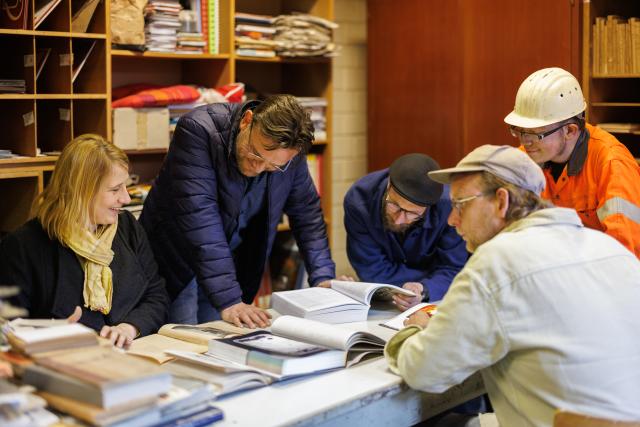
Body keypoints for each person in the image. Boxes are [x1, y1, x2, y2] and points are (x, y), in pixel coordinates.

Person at [384, 145, 640, 426]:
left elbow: (425, 371)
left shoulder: (498, 261)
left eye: (460, 205)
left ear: (501, 201)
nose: (451, 220)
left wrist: (415, 330)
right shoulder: (610, 249)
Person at [140, 94, 337, 328]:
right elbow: (201, 218)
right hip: (176, 259)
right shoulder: (198, 130)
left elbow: (307, 213)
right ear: (247, 120)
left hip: (226, 263)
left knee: (216, 341)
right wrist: (229, 299)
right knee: (183, 339)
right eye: (255, 153)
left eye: (272, 166)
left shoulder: (289, 154)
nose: (259, 167)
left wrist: (323, 275)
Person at [0, 135, 170, 348]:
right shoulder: (24, 246)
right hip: (63, 365)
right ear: (82, 191)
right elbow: (7, 331)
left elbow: (156, 295)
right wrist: (53, 333)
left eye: (125, 187)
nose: (126, 199)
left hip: (135, 356)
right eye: (115, 189)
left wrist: (129, 327)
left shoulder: (128, 227)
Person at [504, 66, 640, 257]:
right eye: (519, 131)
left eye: (536, 134)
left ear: (570, 131)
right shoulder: (524, 159)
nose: (525, 141)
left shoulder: (611, 165)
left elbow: (623, 254)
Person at [343, 153, 468, 307]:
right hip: (382, 300)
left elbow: (454, 269)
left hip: (436, 300)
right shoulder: (359, 201)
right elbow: (371, 269)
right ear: (389, 185)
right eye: (394, 205)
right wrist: (427, 280)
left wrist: (424, 288)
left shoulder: (449, 209)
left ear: (428, 208)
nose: (399, 219)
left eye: (412, 213)